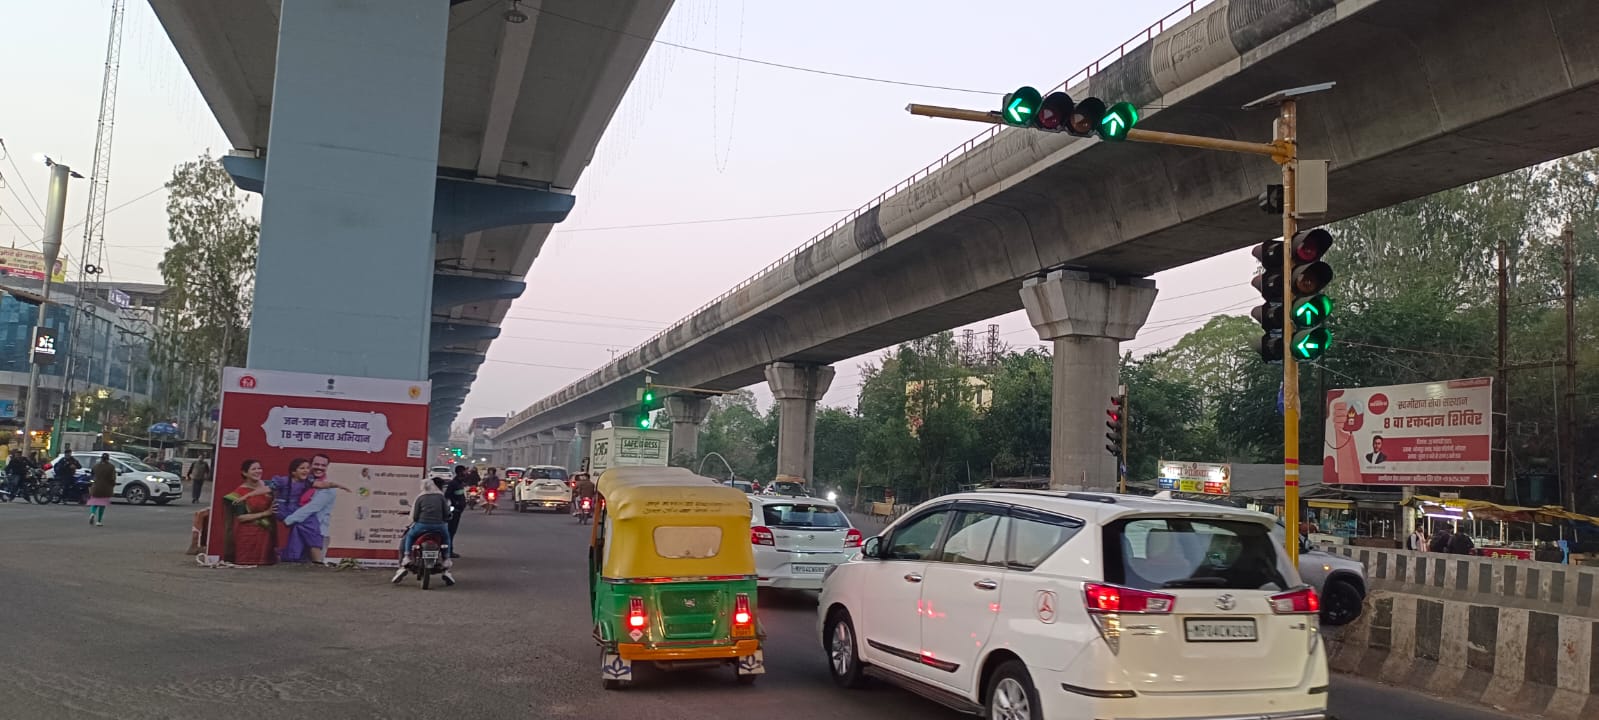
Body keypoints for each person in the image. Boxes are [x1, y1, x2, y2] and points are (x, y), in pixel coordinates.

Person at [393, 476, 454, 585]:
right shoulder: (441, 497)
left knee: (409, 537)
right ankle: (446, 561)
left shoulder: (420, 497)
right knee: (446, 538)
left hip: (421, 526)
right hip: (439, 527)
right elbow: (446, 513)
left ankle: (406, 559)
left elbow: (415, 516)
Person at [222, 459, 277, 565]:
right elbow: (241, 517)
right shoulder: (239, 493)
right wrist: (265, 513)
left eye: (259, 468)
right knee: (246, 566)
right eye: (254, 469)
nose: (258, 471)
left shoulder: (269, 485)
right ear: (244, 473)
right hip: (247, 534)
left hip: (267, 533)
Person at [444, 466, 468, 558]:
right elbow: (447, 496)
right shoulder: (453, 483)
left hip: (458, 511)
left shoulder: (460, 482)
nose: (466, 473)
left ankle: (449, 550)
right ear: (461, 472)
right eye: (465, 471)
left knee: (452, 532)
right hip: (455, 511)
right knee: (450, 531)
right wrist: (454, 505)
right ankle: (448, 551)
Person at [87, 454, 117, 526]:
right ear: (108, 459)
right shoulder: (111, 467)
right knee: (102, 505)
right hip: (106, 488)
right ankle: (99, 521)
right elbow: (112, 478)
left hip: (96, 487)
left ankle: (92, 513)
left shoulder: (96, 466)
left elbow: (92, 475)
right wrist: (113, 484)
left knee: (94, 503)